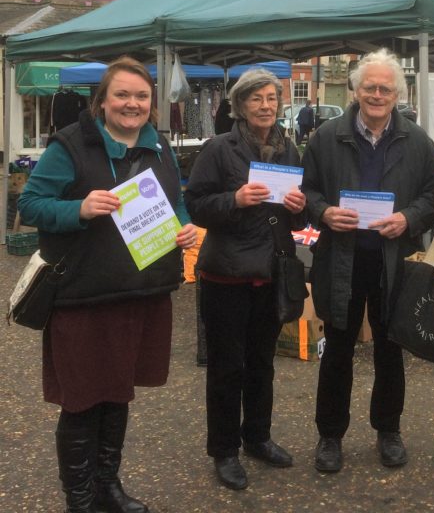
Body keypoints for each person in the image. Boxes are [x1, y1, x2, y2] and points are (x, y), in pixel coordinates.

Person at [18, 56, 198, 513]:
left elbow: (175, 201)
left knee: (118, 393)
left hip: (141, 292)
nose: (131, 104)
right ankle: (80, 499)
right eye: (122, 94)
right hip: (83, 295)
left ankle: (108, 488)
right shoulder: (71, 146)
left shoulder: (159, 147)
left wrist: (186, 227)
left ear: (151, 105)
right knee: (82, 401)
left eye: (141, 96)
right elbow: (32, 203)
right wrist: (77, 209)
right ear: (102, 101)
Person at [301, 48, 434, 473]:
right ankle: (330, 436)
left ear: (398, 93)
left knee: (389, 350)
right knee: (337, 352)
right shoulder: (326, 137)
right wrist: (323, 212)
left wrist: (408, 217)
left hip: (394, 261)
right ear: (356, 90)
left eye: (385, 88)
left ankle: (388, 430)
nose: (377, 94)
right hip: (341, 261)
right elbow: (304, 191)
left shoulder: (417, 141)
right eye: (370, 87)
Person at [184, 68, 306, 491]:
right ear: (240, 105)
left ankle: (257, 437)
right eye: (257, 99)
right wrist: (233, 200)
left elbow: (299, 216)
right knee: (225, 368)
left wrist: (301, 206)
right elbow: (195, 205)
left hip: (271, 271)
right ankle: (224, 450)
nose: (266, 106)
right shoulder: (219, 148)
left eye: (272, 98)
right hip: (227, 274)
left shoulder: (289, 149)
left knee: (261, 364)